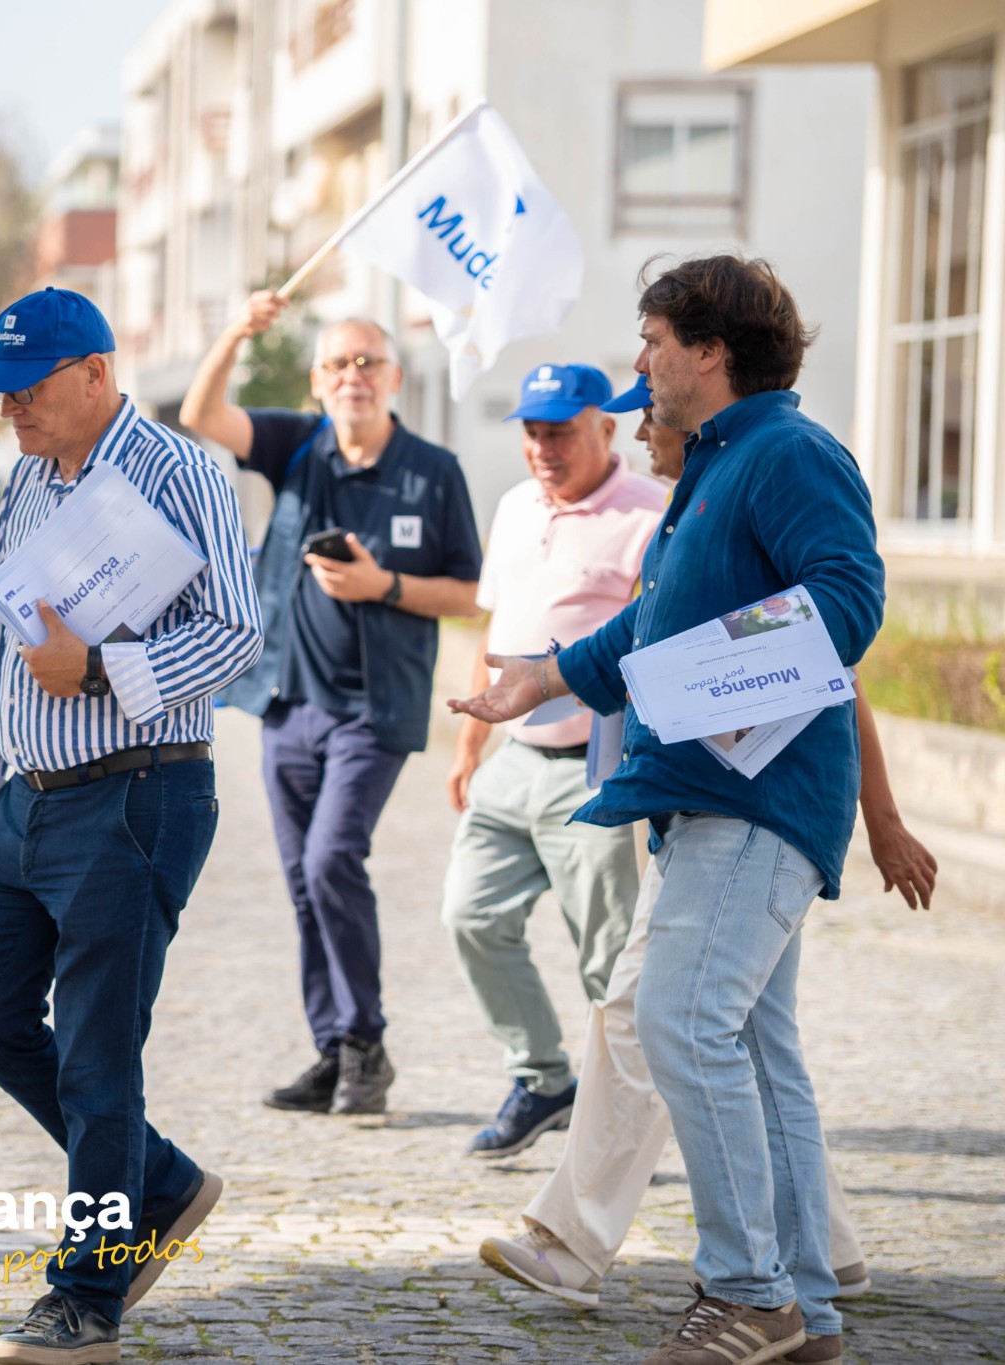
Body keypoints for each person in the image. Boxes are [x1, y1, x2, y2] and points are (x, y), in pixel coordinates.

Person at [451, 255, 885, 1365]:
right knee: (751, 1045)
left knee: (675, 1025)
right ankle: (808, 1313)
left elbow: (845, 602)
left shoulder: (785, 449)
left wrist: (696, 679)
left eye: (648, 342)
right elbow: (640, 637)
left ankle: (746, 1294)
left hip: (756, 801)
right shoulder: (718, 466)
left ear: (709, 348)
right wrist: (536, 679)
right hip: (710, 803)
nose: (636, 365)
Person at [0, 286, 260, 1365]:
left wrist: (107, 671)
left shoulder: (183, 472)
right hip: (25, 802)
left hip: (137, 790)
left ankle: (86, 1302)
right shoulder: (27, 478)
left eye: (24, 391)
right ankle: (155, 1180)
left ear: (94, 375)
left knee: (97, 1058)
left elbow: (236, 630)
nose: (7, 410)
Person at [181, 289, 482, 1116]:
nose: (353, 376)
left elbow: (467, 593)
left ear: (392, 379)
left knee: (330, 859)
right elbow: (201, 412)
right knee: (302, 879)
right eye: (337, 364)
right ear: (317, 383)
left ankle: (366, 1044)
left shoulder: (433, 472)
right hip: (288, 704)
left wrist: (380, 585)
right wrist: (237, 328)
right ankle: (332, 1048)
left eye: (367, 363)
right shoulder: (298, 447)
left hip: (372, 712)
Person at [442, 364, 665, 1158]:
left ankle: (617, 1133)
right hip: (515, 758)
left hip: (596, 771)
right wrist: (471, 748)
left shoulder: (650, 512)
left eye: (560, 431)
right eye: (533, 432)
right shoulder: (513, 505)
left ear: (606, 429)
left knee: (608, 961)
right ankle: (541, 1079)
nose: (543, 447)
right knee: (470, 915)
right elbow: (495, 632)